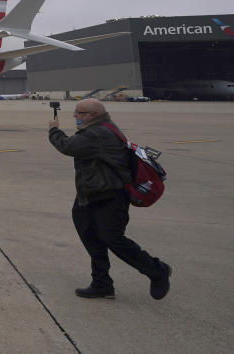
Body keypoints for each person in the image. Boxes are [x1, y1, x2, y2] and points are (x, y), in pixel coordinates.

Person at [49, 98, 171, 300]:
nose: (75, 116)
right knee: (90, 235)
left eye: (79, 113)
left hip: (110, 195)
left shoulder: (97, 133)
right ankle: (102, 283)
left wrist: (54, 130)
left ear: (93, 115)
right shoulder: (101, 127)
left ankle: (157, 270)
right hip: (91, 194)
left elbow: (67, 146)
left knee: (113, 238)